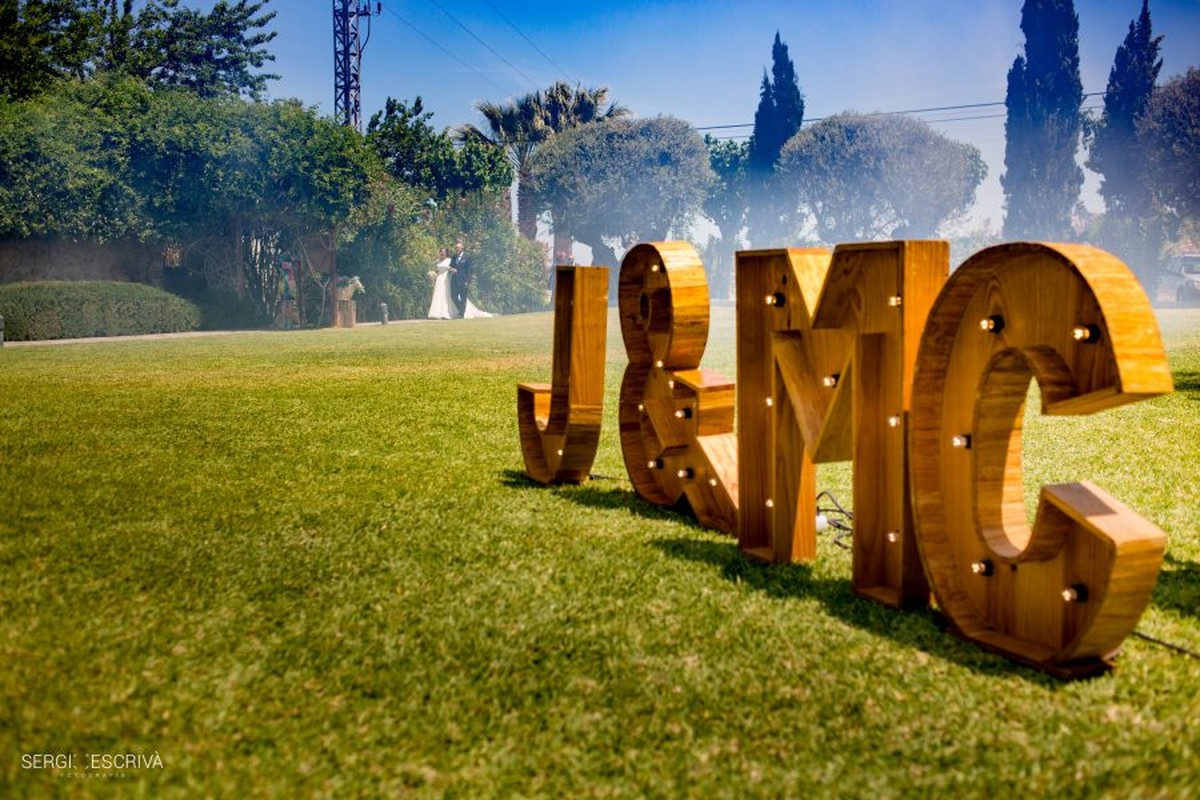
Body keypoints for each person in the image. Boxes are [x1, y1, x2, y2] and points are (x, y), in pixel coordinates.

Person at [427, 247, 455, 319]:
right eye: (441, 252)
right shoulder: (438, 261)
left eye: (444, 252)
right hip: (439, 279)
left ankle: (445, 313)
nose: (442, 253)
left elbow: (451, 268)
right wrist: (433, 274)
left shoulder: (449, 260)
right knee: (438, 295)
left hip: (446, 278)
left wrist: (452, 270)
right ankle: (436, 313)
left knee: (445, 294)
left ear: (446, 253)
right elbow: (437, 270)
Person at [449, 240, 472, 319]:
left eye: (458, 247)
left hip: (463, 280)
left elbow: (469, 270)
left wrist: (467, 281)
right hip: (454, 280)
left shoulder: (467, 257)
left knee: (463, 298)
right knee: (453, 296)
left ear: (462, 248)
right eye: (456, 248)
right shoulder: (454, 257)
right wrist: (451, 269)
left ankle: (462, 314)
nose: (456, 249)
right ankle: (461, 309)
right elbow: (450, 266)